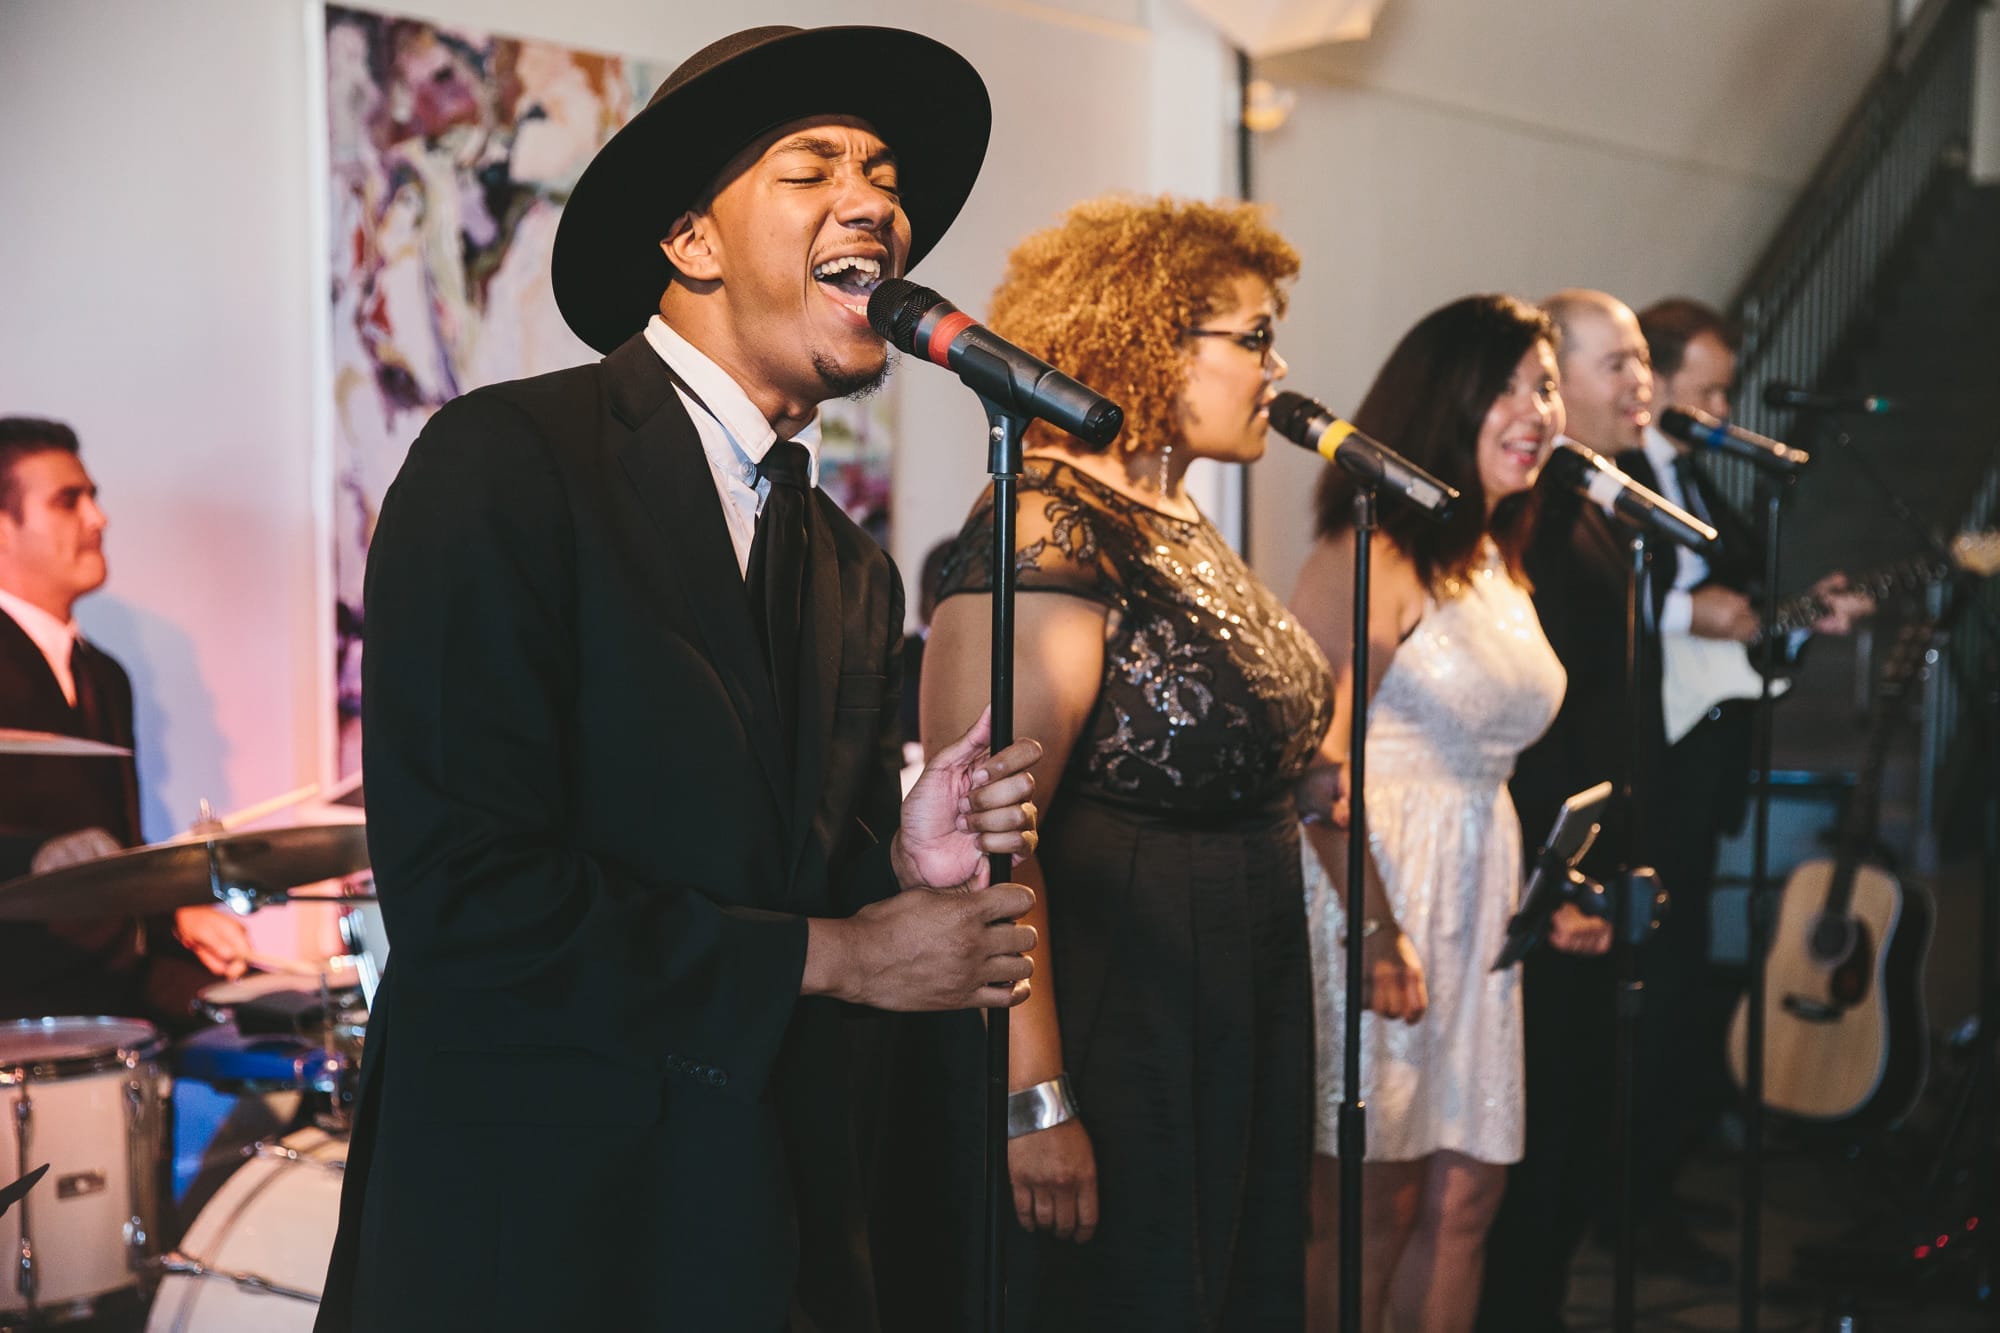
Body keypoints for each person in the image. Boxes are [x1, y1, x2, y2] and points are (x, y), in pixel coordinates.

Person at [314, 27, 1045, 1332]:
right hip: (541, 1240)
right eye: (811, 166)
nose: (876, 199)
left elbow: (778, 879)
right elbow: (468, 904)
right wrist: (844, 953)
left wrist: (904, 868)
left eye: (882, 172)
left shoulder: (848, 566)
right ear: (693, 242)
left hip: (752, 1238)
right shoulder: (511, 465)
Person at [921, 195, 1333, 1331]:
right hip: (1121, 1000)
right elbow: (986, 843)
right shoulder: (1049, 519)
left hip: (1234, 984)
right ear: (1150, 338)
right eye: (1250, 336)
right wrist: (1034, 1096)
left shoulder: (1176, 517)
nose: (1274, 363)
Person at [1292, 295, 1603, 1333]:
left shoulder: (1497, 557)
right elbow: (1310, 769)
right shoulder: (1371, 550)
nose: (1536, 409)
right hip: (1376, 888)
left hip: (1478, 895)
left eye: (1546, 385)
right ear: (1443, 399)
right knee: (1369, 1206)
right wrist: (1375, 925)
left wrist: (1539, 896)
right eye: (1507, 386)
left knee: (1467, 1197)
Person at [1612, 295, 1869, 1278]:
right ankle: (1622, 1200)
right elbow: (1631, 601)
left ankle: (1653, 1191)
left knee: (1680, 988)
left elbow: (1742, 633)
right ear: (1654, 384)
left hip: (1704, 756)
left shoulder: (1700, 480)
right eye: (1705, 387)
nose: (1720, 406)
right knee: (1655, 988)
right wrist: (1690, 606)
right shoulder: (1619, 478)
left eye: (1725, 388)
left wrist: (1798, 621)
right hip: (1651, 761)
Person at [1474, 289, 1674, 1331]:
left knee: (1574, 1147)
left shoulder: (1603, 508)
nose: (1637, 382)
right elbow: (1533, 723)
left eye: (1642, 361)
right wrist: (1567, 876)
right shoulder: (1532, 525)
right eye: (1612, 363)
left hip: (1599, 867)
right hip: (1547, 878)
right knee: (1530, 1156)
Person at [0, 416, 249, 1027]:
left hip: (120, 972)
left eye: (93, 497)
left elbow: (118, 846)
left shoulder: (104, 675)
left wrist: (177, 909)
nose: (98, 518)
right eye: (68, 501)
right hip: (25, 996)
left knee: (295, 1019)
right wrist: (36, 854)